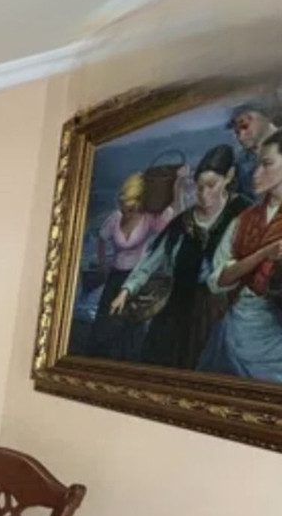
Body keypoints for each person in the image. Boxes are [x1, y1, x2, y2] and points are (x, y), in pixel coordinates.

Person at [109, 144, 250, 369]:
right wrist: (127, 290)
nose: (204, 194)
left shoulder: (243, 212)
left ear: (229, 177)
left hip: (214, 309)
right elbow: (151, 259)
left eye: (211, 185)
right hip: (176, 304)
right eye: (199, 187)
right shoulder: (183, 222)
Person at [198, 131, 282, 381]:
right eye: (257, 164)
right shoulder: (243, 220)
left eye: (267, 164)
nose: (256, 173)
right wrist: (262, 254)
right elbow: (219, 279)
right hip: (236, 326)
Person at [88, 170, 181, 360]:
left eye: (130, 208)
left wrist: (177, 187)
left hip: (136, 278)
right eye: (123, 206)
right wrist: (103, 263)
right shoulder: (115, 218)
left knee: (130, 326)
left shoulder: (148, 219)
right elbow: (102, 238)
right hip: (115, 275)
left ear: (139, 202)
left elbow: (173, 220)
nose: (125, 211)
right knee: (105, 323)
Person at [227, 101, 279, 199]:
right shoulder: (240, 164)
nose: (241, 137)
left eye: (245, 126)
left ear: (264, 117)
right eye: (236, 131)